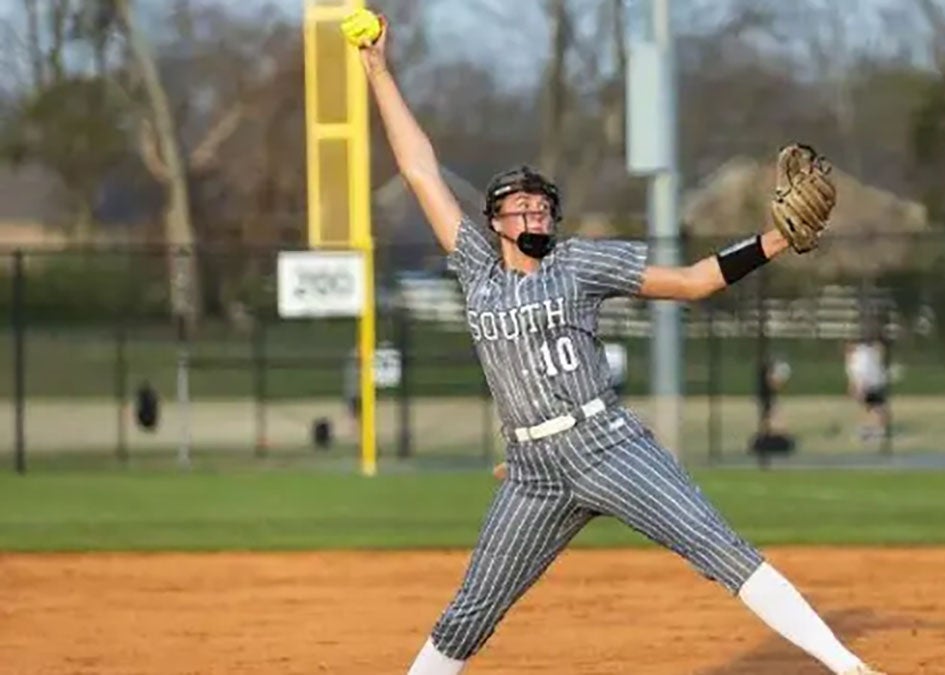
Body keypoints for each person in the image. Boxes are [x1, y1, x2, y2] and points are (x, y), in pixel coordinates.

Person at [346, 10, 884, 675]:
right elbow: (421, 170)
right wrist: (376, 70)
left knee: (719, 547)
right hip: (533, 472)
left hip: (608, 444)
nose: (532, 212)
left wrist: (773, 240)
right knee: (470, 610)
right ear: (493, 221)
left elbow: (690, 282)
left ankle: (848, 666)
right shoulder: (475, 271)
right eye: (518, 205)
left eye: (541, 205)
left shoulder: (577, 264)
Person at [843, 339, 889, 441]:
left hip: (874, 383)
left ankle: (879, 430)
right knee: (873, 406)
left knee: (877, 407)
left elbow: (878, 348)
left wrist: (859, 389)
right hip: (871, 383)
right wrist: (853, 388)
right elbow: (854, 377)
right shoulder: (852, 361)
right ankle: (876, 428)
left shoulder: (860, 356)